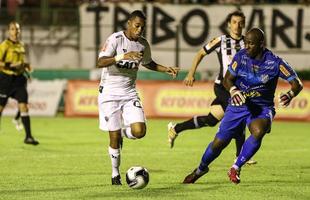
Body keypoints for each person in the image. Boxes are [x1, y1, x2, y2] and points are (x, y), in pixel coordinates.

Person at [182, 28, 303, 184]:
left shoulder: (275, 62)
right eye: (246, 43)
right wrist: (233, 91)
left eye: (251, 44)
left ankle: (236, 167)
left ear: (261, 44)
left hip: (262, 107)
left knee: (259, 130)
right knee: (219, 143)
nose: (246, 46)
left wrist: (290, 95)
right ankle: (201, 169)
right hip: (238, 105)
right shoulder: (240, 57)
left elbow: (297, 84)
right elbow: (227, 80)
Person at [97, 10, 179, 185]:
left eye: (142, 26)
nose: (140, 29)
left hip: (129, 93)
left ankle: (122, 134)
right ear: (129, 23)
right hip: (109, 94)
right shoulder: (115, 39)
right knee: (113, 137)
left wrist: (166, 69)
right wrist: (121, 56)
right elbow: (100, 62)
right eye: (137, 25)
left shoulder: (143, 44)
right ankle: (115, 174)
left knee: (139, 131)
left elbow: (148, 62)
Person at [167, 10, 256, 164]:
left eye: (240, 22)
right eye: (234, 22)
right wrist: (191, 73)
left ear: (244, 24)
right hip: (223, 86)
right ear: (228, 24)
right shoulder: (220, 41)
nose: (237, 25)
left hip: (239, 87)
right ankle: (240, 155)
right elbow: (200, 53)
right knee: (239, 111)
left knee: (211, 120)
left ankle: (175, 129)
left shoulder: (247, 44)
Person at [0, 21, 39, 145]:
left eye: (17, 29)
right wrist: (10, 65)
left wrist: (26, 69)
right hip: (5, 79)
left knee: (24, 106)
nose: (15, 31)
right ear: (8, 31)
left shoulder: (21, 45)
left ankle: (28, 137)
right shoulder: (4, 45)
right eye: (12, 29)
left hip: (19, 80)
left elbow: (21, 63)